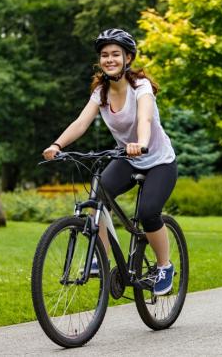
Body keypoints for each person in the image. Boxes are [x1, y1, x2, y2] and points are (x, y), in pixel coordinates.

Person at [43, 28, 177, 295]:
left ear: (128, 58)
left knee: (149, 211)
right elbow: (81, 123)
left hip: (158, 161)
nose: (109, 59)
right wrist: (57, 145)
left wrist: (140, 142)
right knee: (99, 192)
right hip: (127, 157)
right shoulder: (100, 93)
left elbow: (146, 118)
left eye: (116, 54)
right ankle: (100, 258)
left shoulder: (141, 87)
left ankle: (165, 267)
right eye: (105, 55)